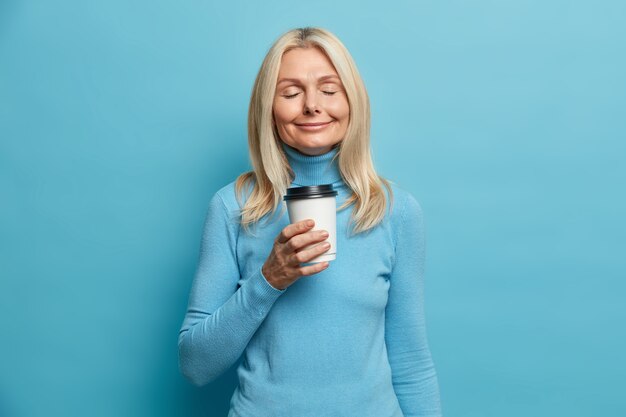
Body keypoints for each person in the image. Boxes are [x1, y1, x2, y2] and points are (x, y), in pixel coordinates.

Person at [178, 27, 443, 417]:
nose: (312, 106)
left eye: (329, 89)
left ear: (353, 101)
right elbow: (195, 365)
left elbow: (412, 363)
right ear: (268, 107)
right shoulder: (232, 207)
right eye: (291, 93)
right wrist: (269, 280)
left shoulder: (395, 211)